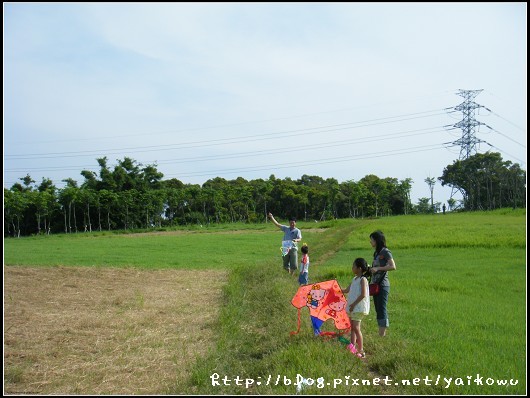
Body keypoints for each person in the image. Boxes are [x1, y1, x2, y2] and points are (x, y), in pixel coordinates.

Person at [369, 230, 397, 337]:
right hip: (376, 285)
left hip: (383, 285)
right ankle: (381, 333)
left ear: (376, 240)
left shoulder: (385, 252)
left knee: (381, 308)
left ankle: (382, 335)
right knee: (378, 308)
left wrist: (378, 268)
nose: (370, 242)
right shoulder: (377, 253)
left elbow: (393, 266)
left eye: (371, 240)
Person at [342, 258, 370, 359]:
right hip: (353, 308)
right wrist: (336, 289)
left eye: (353, 266)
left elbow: (363, 295)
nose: (352, 268)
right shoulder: (354, 279)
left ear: (359, 268)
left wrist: (353, 304)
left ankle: (361, 350)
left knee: (357, 328)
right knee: (352, 328)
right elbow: (346, 290)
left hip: (358, 308)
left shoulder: (363, 280)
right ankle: (352, 346)